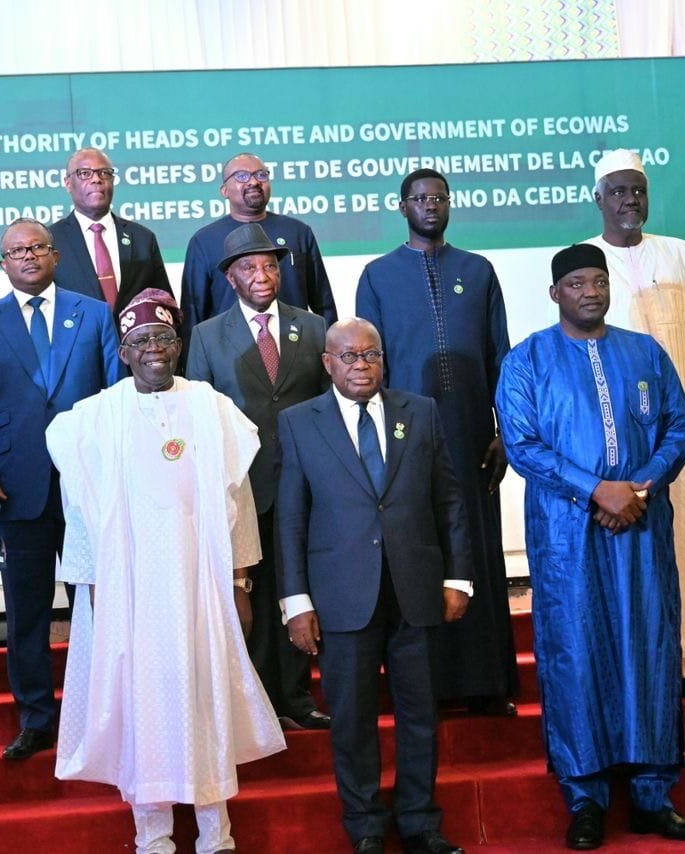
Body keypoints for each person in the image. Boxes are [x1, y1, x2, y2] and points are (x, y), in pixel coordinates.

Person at [46, 289, 285, 854]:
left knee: (205, 697)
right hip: (129, 592)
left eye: (164, 338)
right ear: (124, 352)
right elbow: (78, 512)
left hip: (200, 586)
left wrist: (240, 581)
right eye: (140, 341)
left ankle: (214, 832)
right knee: (142, 705)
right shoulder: (94, 419)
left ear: (179, 346)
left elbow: (239, 502)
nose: (154, 349)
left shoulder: (210, 407)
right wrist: (91, 588)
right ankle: (152, 835)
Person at [495, 244, 685, 849]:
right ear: (555, 292)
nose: (591, 291)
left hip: (640, 527)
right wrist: (596, 491)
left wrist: (638, 486)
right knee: (575, 654)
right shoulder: (527, 360)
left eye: (599, 281)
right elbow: (523, 445)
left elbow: (680, 423)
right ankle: (585, 798)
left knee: (648, 646)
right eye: (577, 283)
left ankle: (651, 794)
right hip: (567, 535)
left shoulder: (644, 352)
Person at [278, 317, 471, 854]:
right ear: (327, 363)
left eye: (371, 356)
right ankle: (364, 826)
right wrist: (296, 602)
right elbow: (290, 518)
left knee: (419, 713)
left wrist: (458, 577)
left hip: (416, 589)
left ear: (383, 359)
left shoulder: (421, 412)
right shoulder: (299, 422)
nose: (361, 366)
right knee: (353, 719)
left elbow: (449, 501)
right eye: (348, 357)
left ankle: (419, 821)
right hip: (341, 596)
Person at [356, 167, 518, 716]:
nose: (430, 206)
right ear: (402, 207)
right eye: (419, 199)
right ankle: (429, 688)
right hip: (408, 440)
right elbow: (369, 367)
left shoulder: (478, 270)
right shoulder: (377, 276)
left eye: (439, 197)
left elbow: (502, 357)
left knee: (478, 549)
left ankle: (490, 683)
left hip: (473, 435)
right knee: (422, 556)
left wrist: (504, 432)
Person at [0, 218, 119, 760]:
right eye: (15, 251)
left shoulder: (93, 314)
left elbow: (117, 397)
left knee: (95, 605)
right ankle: (35, 716)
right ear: (2, 264)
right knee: (26, 608)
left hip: (88, 487)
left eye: (36, 247)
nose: (27, 256)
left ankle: (102, 711)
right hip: (15, 485)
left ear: (54, 255)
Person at [586, 149, 685, 699]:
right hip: (618, 437)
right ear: (598, 198)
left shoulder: (680, 256)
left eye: (637, 191)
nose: (630, 201)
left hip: (681, 426)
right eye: (618, 191)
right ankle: (638, 671)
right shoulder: (584, 262)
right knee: (634, 547)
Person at [185, 222, 331, 731]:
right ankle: (255, 702)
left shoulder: (313, 329)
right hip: (242, 486)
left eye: (270, 264)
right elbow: (199, 414)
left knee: (301, 589)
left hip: (308, 482)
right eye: (249, 266)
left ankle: (297, 695)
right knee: (252, 595)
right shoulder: (204, 337)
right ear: (230, 277)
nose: (263, 274)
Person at [181, 152, 337, 344]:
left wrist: (332, 352)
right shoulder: (204, 241)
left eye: (261, 175)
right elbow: (193, 312)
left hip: (296, 347)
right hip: (231, 353)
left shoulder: (297, 232)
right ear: (224, 190)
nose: (253, 182)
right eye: (242, 176)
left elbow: (324, 304)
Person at [49, 147, 173, 315]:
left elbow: (163, 301)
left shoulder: (142, 238)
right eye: (85, 173)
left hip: (133, 340)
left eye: (104, 173)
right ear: (67, 183)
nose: (96, 179)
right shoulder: (51, 241)